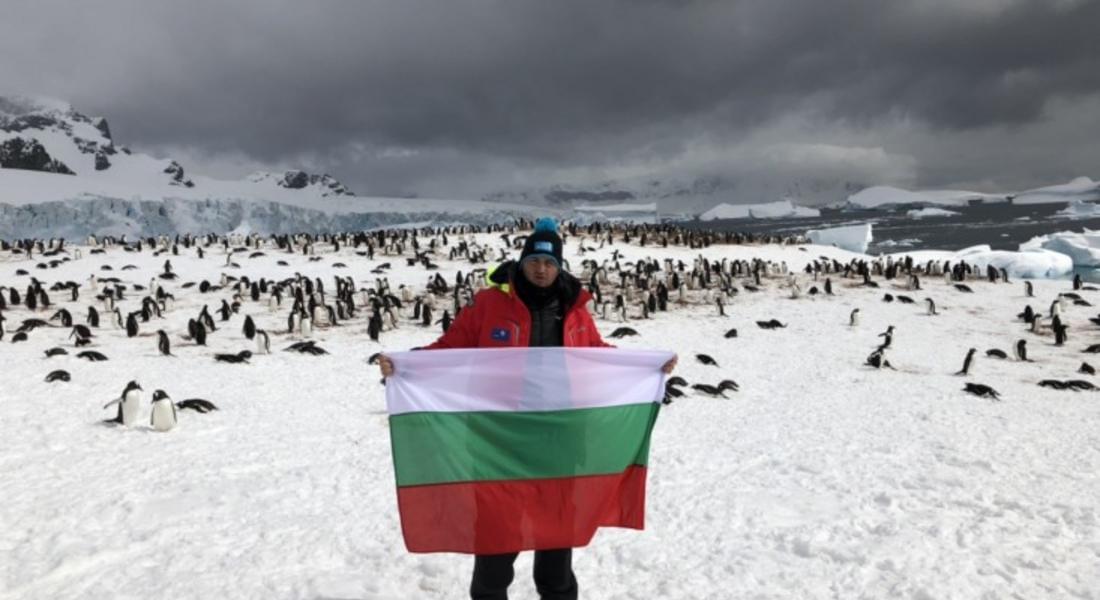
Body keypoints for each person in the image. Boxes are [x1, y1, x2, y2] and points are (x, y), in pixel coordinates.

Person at [379, 218, 676, 600]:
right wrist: (406, 365)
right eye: (534, 260)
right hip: (497, 436)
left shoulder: (575, 309)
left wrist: (647, 368)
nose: (541, 269)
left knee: (556, 538)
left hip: (559, 435)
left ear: (560, 267)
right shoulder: (488, 304)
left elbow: (595, 356)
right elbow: (450, 348)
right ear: (522, 262)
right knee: (496, 540)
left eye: (550, 263)